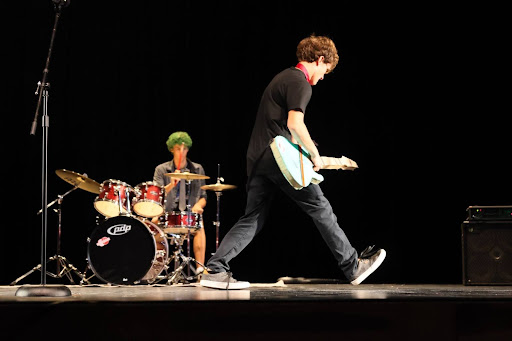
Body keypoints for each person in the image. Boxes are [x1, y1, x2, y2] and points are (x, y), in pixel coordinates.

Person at [200, 34, 386, 290]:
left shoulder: (283, 77)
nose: (322, 78)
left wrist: (308, 151)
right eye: (325, 71)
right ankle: (352, 267)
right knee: (320, 207)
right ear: (320, 60)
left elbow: (283, 128)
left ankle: (215, 269)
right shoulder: (300, 82)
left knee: (253, 217)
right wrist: (315, 155)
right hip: (275, 157)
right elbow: (294, 124)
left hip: (257, 159)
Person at [153, 131, 208, 275]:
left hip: (188, 214)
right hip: (167, 214)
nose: (181, 152)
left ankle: (200, 269)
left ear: (188, 149)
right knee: (153, 228)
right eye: (178, 148)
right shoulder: (161, 169)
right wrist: (171, 185)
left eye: (184, 149)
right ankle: (156, 270)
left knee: (200, 225)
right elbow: (157, 195)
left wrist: (198, 206)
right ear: (171, 149)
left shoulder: (197, 169)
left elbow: (203, 196)